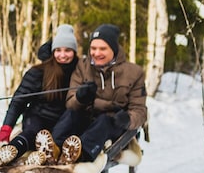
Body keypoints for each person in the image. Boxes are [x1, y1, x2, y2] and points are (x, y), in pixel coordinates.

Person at [37, 23, 147, 165]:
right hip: (87, 118)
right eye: (93, 48)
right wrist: (80, 97)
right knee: (71, 114)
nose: (96, 53)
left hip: (114, 124)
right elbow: (70, 102)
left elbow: (140, 110)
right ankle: (53, 150)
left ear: (113, 49)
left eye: (102, 49)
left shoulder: (133, 73)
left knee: (104, 121)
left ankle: (78, 155)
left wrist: (128, 119)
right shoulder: (83, 66)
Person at [0, 24, 79, 169]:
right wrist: (6, 127)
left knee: (58, 136)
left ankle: (41, 156)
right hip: (38, 116)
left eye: (68, 50)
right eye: (58, 50)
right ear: (53, 51)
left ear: (74, 51)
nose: (63, 55)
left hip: (63, 121)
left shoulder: (80, 72)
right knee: (33, 133)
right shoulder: (39, 72)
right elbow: (18, 101)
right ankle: (10, 151)